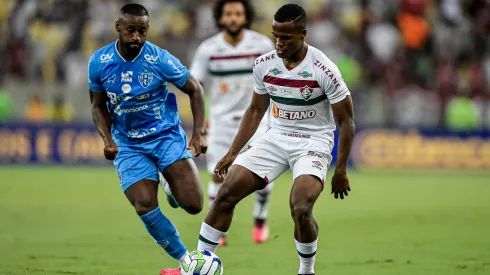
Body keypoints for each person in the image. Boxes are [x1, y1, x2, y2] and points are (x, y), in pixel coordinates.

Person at [197, 4, 355, 275]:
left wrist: (340, 169)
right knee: (225, 193)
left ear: (303, 34)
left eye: (286, 38)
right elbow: (256, 110)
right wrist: (235, 151)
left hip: (313, 142)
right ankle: (199, 263)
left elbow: (346, 121)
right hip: (276, 137)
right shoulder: (264, 64)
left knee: (300, 207)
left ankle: (307, 270)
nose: (279, 43)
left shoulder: (324, 69)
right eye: (275, 37)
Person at [87, 3, 207, 273]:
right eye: (131, 30)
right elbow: (97, 105)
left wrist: (198, 132)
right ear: (118, 28)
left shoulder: (159, 59)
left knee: (194, 205)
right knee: (144, 204)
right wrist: (107, 139)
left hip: (165, 137)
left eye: (142, 30)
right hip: (128, 144)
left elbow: (195, 89)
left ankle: (168, 184)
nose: (137, 37)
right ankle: (186, 262)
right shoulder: (99, 61)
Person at [189, 0, 275, 247]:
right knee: (218, 176)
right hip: (221, 123)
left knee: (262, 176)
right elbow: (195, 86)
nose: (234, 18)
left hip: (258, 122)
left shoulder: (262, 45)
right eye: (229, 14)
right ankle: (219, 228)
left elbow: (276, 79)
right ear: (221, 18)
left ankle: (260, 217)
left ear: (246, 16)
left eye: (238, 13)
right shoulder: (208, 49)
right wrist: (199, 123)